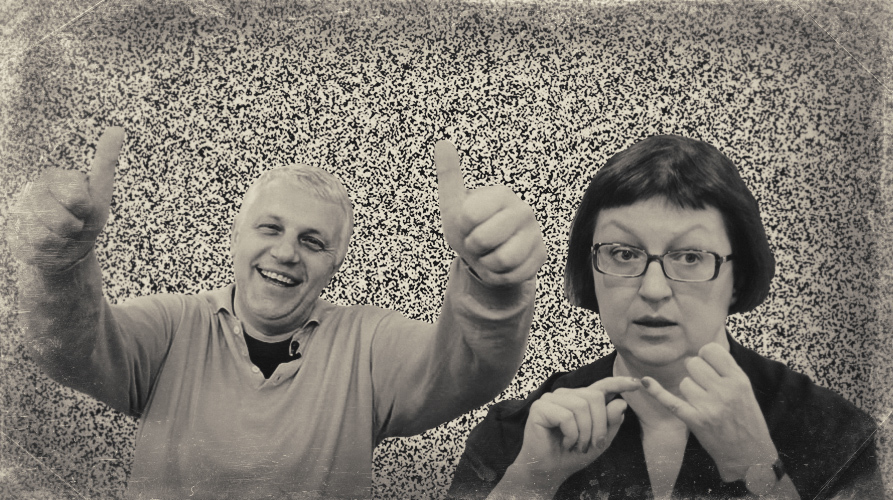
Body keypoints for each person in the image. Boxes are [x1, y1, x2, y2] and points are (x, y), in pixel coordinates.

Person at [10, 128, 548, 499]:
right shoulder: (172, 327)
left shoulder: (367, 346)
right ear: (236, 237)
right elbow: (71, 350)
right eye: (270, 228)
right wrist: (60, 266)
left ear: (335, 264)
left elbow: (469, 367)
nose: (286, 252)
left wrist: (490, 282)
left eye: (312, 241)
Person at [448, 135, 883, 500]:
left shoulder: (836, 434)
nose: (653, 289)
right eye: (623, 254)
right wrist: (530, 482)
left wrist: (755, 467)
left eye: (690, 256)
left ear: (737, 277)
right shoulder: (517, 435)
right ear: (589, 270)